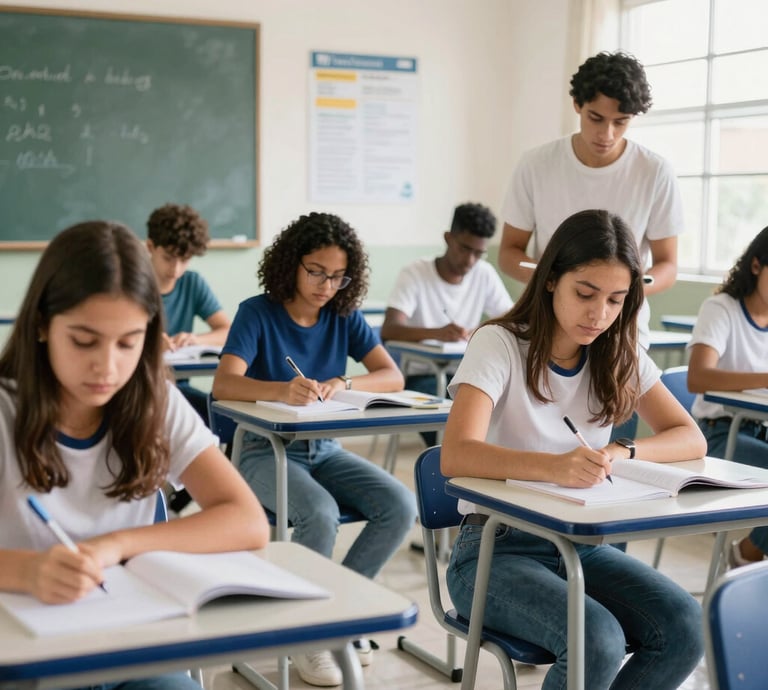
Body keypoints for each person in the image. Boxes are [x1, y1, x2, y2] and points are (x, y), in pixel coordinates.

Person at [441, 209, 706, 690]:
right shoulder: (499, 344)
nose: (598, 314)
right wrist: (554, 468)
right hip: (494, 552)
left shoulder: (617, 350)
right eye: (585, 294)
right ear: (550, 281)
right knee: (597, 640)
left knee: (685, 626)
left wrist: (622, 452)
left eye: (615, 300)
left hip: (578, 548)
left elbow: (690, 437)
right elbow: (456, 454)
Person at [0, 221, 269, 690]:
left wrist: (117, 546)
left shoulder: (154, 401)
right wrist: (27, 570)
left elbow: (247, 520)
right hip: (28, 648)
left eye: (128, 343)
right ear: (42, 324)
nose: (107, 367)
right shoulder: (5, 408)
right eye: (84, 341)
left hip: (131, 642)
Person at [212, 211, 417, 687]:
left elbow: (393, 375)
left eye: (338, 276)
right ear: (292, 264)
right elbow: (224, 385)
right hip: (260, 453)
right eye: (317, 272)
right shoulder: (257, 312)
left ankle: (337, 614)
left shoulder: (343, 316)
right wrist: (280, 391)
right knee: (319, 514)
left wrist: (343, 381)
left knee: (399, 504)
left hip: (321, 450)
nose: (327, 285)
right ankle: (306, 637)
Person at [498, 51, 683, 353]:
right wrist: (555, 282)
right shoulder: (537, 164)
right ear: (577, 105)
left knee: (618, 399)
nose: (606, 134)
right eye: (595, 118)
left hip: (623, 332)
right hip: (547, 326)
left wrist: (621, 292)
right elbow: (508, 252)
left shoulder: (654, 171)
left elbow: (668, 265)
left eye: (620, 122)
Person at [380, 202, 512, 446]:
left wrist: (481, 330)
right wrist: (438, 333)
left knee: (501, 412)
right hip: (423, 376)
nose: (471, 260)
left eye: (478, 252)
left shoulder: (484, 273)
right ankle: (453, 471)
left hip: (469, 375)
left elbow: (513, 320)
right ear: (448, 238)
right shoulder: (415, 273)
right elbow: (390, 329)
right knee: (456, 421)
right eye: (465, 248)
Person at [687, 225, 768, 567]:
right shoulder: (721, 308)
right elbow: (698, 377)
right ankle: (746, 555)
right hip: (720, 434)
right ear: (756, 266)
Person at [146, 203, 230, 424]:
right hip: (142, 389)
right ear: (150, 247)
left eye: (184, 259)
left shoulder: (192, 282)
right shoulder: (131, 283)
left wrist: (195, 339)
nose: (175, 269)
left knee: (225, 417)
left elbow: (228, 330)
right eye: (168, 257)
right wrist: (149, 342)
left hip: (179, 389)